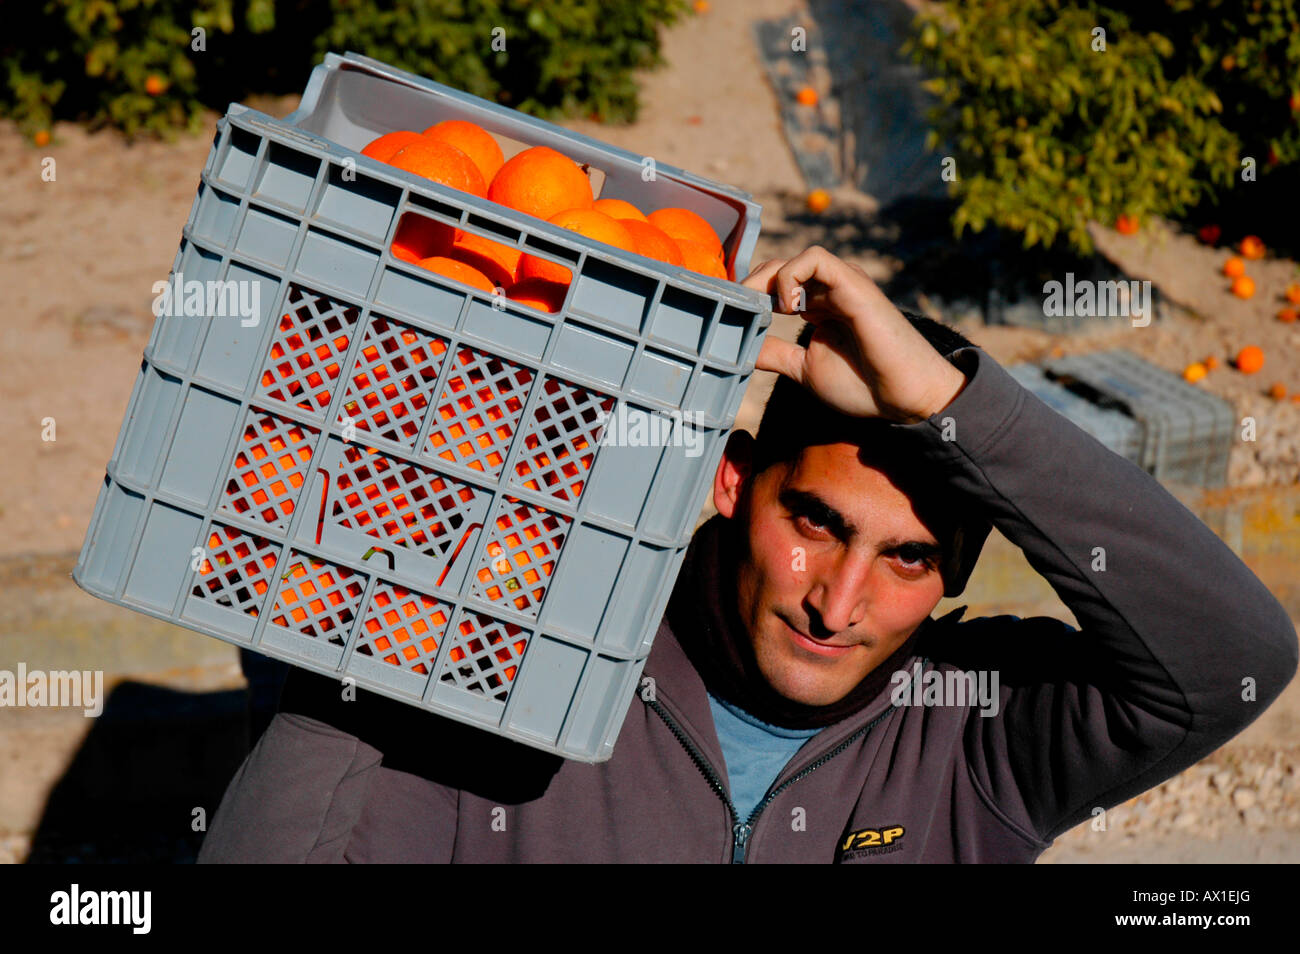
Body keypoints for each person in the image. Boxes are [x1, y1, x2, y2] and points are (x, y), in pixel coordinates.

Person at [198, 246, 1298, 863]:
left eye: (907, 559)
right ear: (730, 484)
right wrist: (375, 635)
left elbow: (1233, 655)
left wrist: (949, 403)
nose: (840, 601)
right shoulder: (533, 669)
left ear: (952, 579)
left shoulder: (974, 739)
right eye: (814, 523)